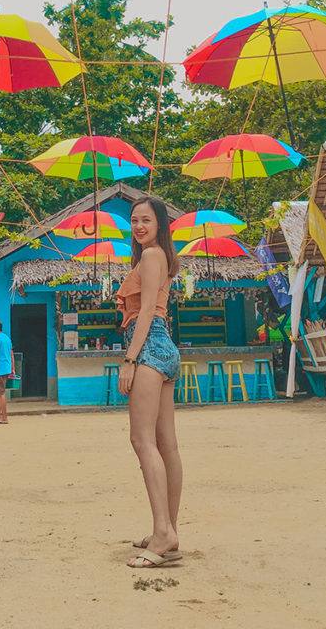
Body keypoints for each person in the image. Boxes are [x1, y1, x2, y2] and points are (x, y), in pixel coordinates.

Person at [117, 196, 183, 570]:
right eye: (134, 220)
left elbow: (146, 312)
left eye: (147, 220)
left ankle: (162, 532)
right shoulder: (156, 257)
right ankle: (168, 530)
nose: (139, 226)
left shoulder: (153, 255)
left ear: (159, 224)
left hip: (150, 347)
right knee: (165, 444)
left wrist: (130, 360)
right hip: (163, 346)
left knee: (142, 440)